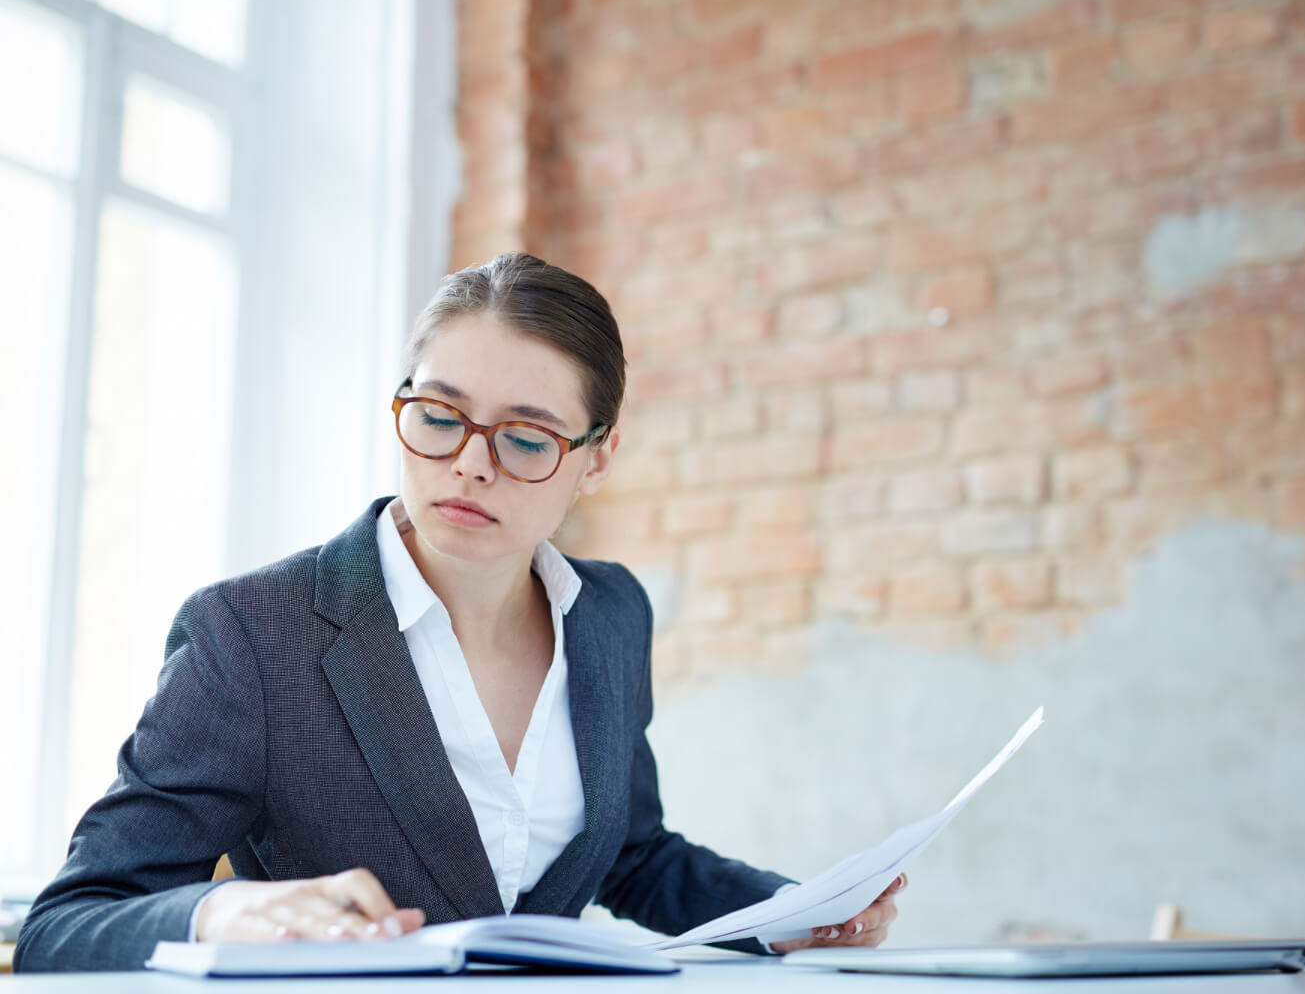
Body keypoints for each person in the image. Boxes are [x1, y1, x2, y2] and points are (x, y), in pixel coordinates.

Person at [16, 252, 903, 972]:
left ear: (596, 460)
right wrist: (225, 909)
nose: (471, 463)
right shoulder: (251, 634)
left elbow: (630, 855)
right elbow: (69, 925)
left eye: (525, 438)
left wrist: (795, 913)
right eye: (439, 416)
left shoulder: (610, 616)